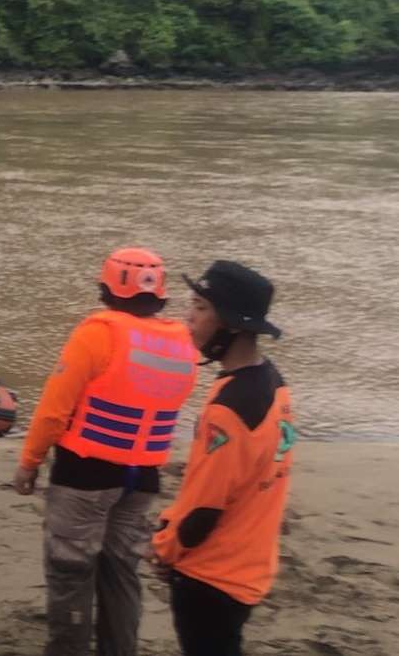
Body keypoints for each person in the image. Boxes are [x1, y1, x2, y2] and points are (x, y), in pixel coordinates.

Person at [13, 248, 198, 656]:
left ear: (106, 288)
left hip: (84, 475)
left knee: (71, 573)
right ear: (160, 293)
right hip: (142, 478)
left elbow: (54, 409)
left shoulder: (98, 333)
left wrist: (29, 462)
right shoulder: (184, 342)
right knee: (121, 573)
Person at [152, 261, 295, 656]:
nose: (188, 317)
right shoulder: (273, 383)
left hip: (212, 575)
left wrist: (165, 549)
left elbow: (203, 511)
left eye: (200, 307)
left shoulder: (227, 410)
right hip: (252, 565)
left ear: (230, 324)